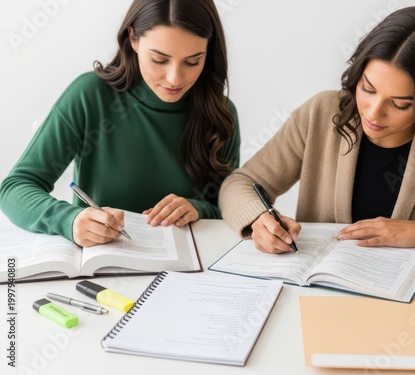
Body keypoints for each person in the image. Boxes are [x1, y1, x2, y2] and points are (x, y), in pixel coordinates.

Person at [219, 6, 415, 264]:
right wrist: (259, 218)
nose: (374, 113)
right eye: (367, 89)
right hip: (317, 295)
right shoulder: (320, 113)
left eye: (400, 104)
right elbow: (239, 184)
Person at [0, 0, 240, 247]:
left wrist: (199, 209)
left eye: (192, 62)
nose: (174, 78)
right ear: (133, 39)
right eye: (159, 59)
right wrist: (68, 220)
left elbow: (232, 207)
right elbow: (14, 188)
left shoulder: (220, 113)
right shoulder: (89, 96)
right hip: (100, 267)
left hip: (190, 273)